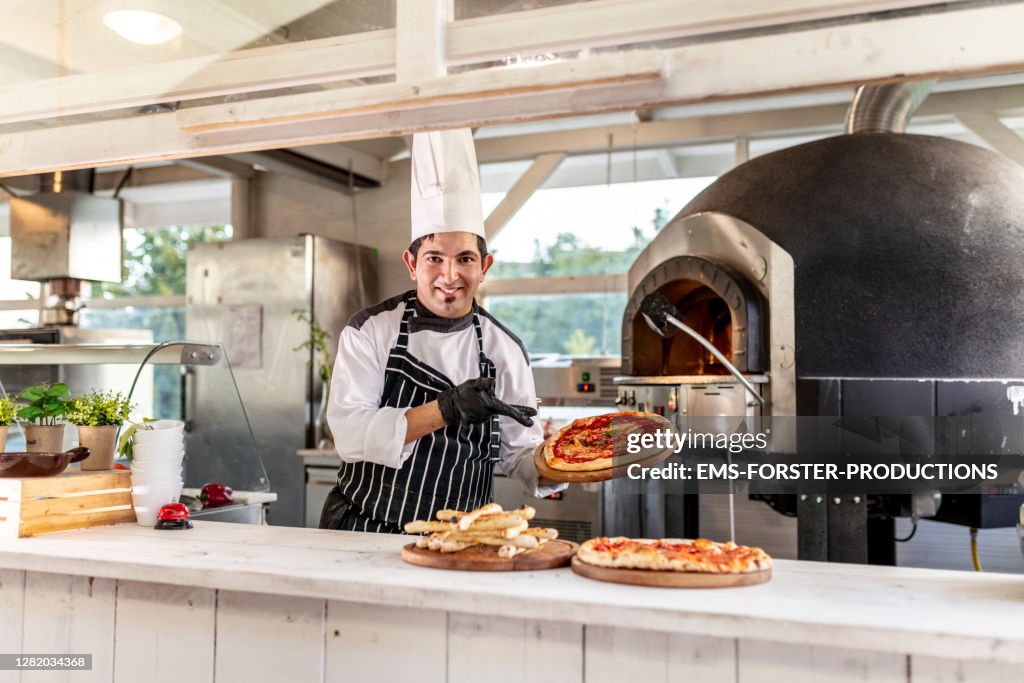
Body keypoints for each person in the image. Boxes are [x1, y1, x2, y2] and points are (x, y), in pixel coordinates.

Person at [320, 128, 562, 533]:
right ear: (412, 263)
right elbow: (349, 433)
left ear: (484, 267)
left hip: (462, 542)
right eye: (434, 258)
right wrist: (446, 410)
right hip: (365, 529)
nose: (449, 275)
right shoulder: (370, 331)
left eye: (465, 258)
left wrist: (580, 463)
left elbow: (521, 458)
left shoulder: (505, 350)